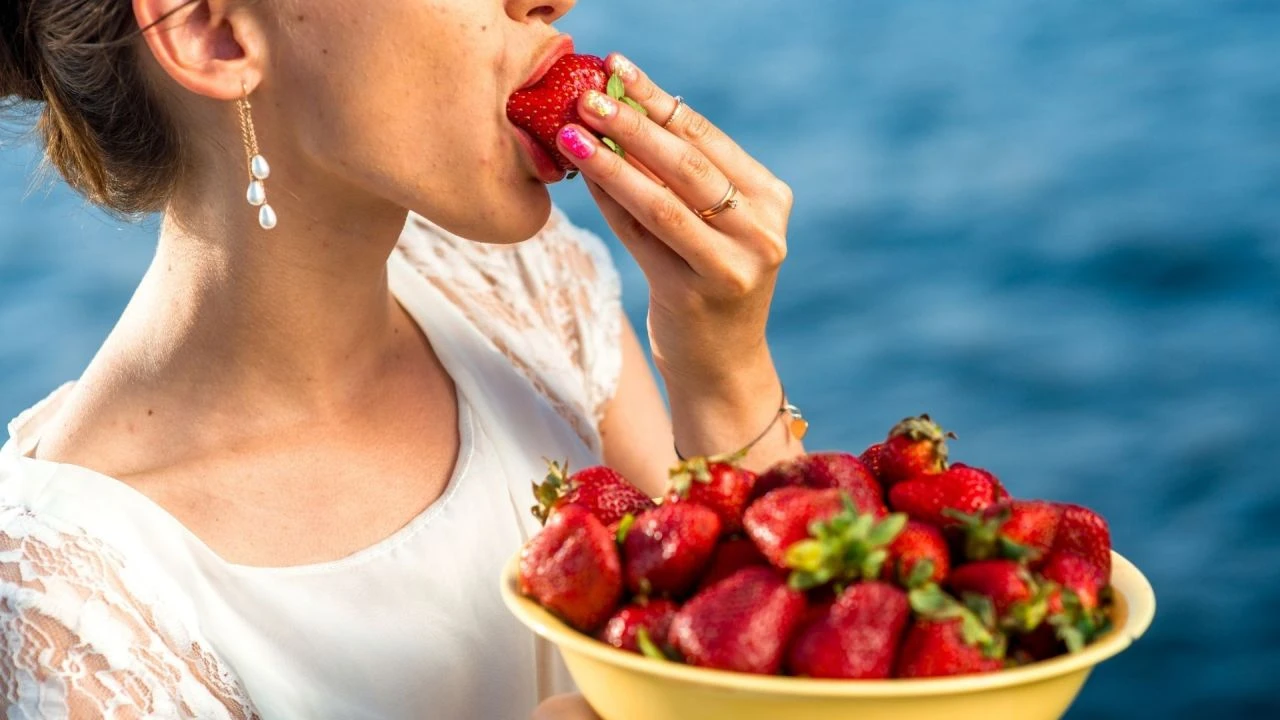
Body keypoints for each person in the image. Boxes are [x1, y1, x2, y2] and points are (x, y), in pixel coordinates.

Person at [0, 0, 799, 717]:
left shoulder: (524, 297)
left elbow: (764, 663)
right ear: (210, 31)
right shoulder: (73, 622)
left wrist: (722, 371)